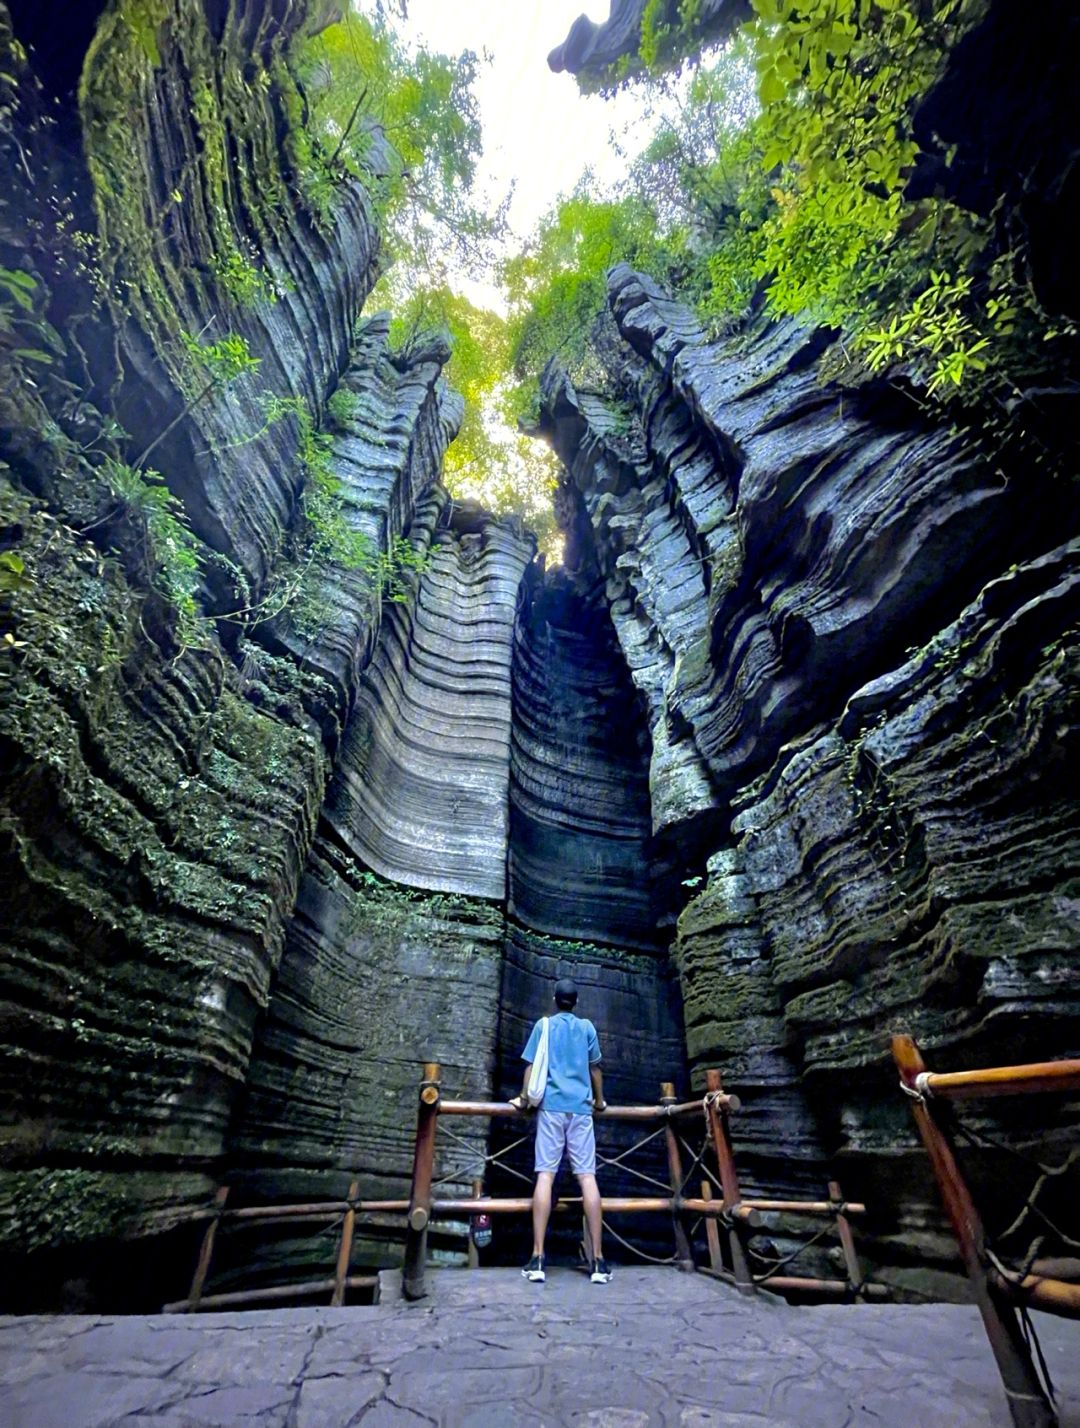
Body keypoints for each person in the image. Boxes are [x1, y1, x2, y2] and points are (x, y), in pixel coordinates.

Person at [509, 977, 611, 1285]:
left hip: (551, 1108)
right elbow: (595, 1067)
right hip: (581, 1110)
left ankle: (538, 1257)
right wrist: (600, 1100)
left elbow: (530, 1064)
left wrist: (526, 1097)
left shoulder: (545, 1026)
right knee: (588, 1178)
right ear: (576, 1002)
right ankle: (598, 1261)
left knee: (545, 1175)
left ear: (555, 1000)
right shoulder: (587, 1028)